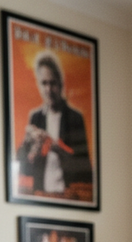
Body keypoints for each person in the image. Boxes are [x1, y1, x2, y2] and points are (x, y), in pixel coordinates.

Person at [17, 51, 92, 197]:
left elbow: (85, 169)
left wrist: (57, 148)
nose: (48, 90)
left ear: (61, 83)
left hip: (68, 194)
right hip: (41, 194)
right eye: (44, 83)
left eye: (52, 83)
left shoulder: (75, 118)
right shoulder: (35, 117)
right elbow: (23, 168)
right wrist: (27, 145)